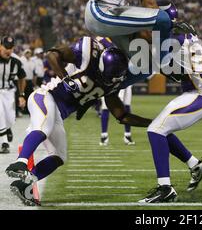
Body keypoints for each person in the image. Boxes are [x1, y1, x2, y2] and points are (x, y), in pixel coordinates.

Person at [5, 37, 151, 206]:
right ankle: (20, 163)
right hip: (46, 96)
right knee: (43, 127)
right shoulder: (88, 55)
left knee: (59, 156)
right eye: (107, 76)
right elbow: (53, 54)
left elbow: (121, 115)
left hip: (59, 113)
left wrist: (151, 123)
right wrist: (64, 77)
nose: (109, 80)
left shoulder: (112, 82)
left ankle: (25, 184)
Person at [139, 3, 202, 203]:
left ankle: (165, 188)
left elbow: (146, 55)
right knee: (160, 128)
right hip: (198, 90)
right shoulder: (181, 34)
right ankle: (196, 165)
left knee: (156, 130)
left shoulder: (172, 39)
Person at [0, 36, 27, 153]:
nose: (8, 50)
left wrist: (22, 95)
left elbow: (22, 78)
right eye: (6, 47)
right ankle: (4, 142)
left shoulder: (16, 62)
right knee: (0, 114)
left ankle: (7, 128)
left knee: (10, 119)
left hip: (9, 92)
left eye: (11, 48)